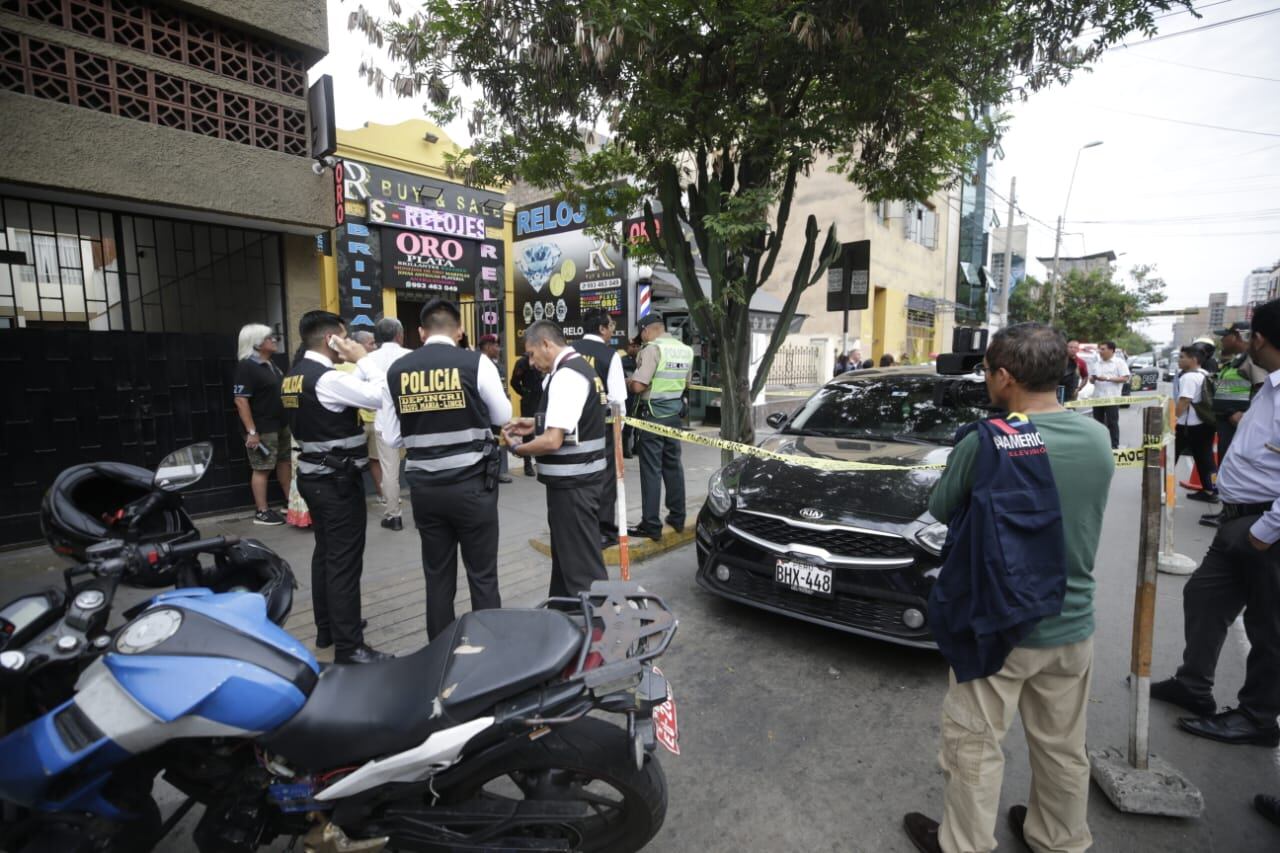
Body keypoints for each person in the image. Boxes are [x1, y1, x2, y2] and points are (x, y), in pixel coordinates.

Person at [903, 323, 1114, 853]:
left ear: (1004, 376)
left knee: (974, 744)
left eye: (986, 373)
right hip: (1072, 624)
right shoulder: (1097, 438)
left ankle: (965, 844)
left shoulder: (987, 441)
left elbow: (940, 506)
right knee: (1063, 747)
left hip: (998, 624)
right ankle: (1058, 839)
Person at [1148, 298, 1280, 747]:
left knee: (1269, 627)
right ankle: (1194, 685)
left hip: (1264, 527)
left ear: (1258, 339)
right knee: (1203, 596)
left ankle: (1258, 718)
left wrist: (1265, 532)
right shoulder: (1270, 385)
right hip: (1239, 521)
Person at [383, 299, 512, 641]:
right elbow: (503, 416)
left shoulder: (397, 370)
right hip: (473, 488)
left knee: (437, 576)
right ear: (460, 331)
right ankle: (490, 650)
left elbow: (392, 437)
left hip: (425, 490)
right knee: (482, 575)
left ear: (421, 332)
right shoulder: (476, 363)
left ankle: (439, 652)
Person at [281, 311, 390, 665]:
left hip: (314, 477)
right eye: (344, 336)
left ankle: (328, 628)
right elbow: (380, 396)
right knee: (344, 561)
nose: (350, 342)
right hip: (336, 481)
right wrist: (364, 359)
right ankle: (350, 646)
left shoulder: (294, 376)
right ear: (331, 339)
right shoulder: (326, 379)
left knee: (326, 554)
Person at [505, 320, 610, 596]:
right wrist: (533, 423)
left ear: (546, 344)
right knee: (567, 563)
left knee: (582, 571)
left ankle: (599, 620)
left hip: (574, 488)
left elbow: (553, 440)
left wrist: (517, 449)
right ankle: (564, 613)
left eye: (531, 354)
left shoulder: (567, 375)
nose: (530, 362)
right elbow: (571, 423)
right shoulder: (577, 369)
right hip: (577, 483)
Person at [627, 313, 693, 542]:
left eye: (642, 334)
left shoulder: (652, 349)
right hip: (674, 416)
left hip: (652, 416)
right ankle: (677, 517)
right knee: (673, 466)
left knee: (651, 471)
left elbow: (638, 386)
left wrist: (628, 381)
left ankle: (651, 525)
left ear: (646, 331)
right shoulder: (685, 350)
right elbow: (686, 383)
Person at [575, 308, 628, 546]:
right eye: (611, 326)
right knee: (605, 479)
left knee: (578, 476)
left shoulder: (569, 351)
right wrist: (618, 433)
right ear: (601, 328)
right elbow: (617, 400)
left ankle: (581, 527)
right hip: (601, 426)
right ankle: (603, 530)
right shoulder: (610, 355)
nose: (612, 331)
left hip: (573, 426)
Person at [233, 324, 290, 525]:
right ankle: (262, 511)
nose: (274, 340)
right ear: (256, 344)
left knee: (285, 462)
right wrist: (252, 431)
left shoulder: (272, 364)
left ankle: (290, 503)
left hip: (281, 424)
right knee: (262, 468)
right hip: (263, 427)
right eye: (269, 338)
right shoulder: (246, 366)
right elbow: (241, 400)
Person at [367, 317, 413, 531]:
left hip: (384, 421)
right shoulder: (411, 356)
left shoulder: (368, 359)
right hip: (412, 419)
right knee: (420, 465)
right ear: (399, 335)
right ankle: (423, 514)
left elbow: (362, 392)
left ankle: (394, 516)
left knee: (389, 471)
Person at [335, 330, 384, 503]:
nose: (375, 347)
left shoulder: (371, 364)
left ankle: (383, 495)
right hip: (357, 422)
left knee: (376, 460)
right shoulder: (338, 368)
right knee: (354, 461)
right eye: (371, 343)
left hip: (374, 420)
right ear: (359, 345)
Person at [1173, 345, 1219, 504]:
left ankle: (1161, 487)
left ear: (1193, 359)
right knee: (1206, 460)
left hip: (1188, 425)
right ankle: (1211, 490)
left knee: (1171, 456)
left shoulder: (1189, 377)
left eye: (1182, 357)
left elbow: (1185, 400)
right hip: (1205, 423)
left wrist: (1173, 419)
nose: (1179, 360)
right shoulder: (1204, 373)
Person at [478, 333, 514, 484]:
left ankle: (496, 472)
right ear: (487, 347)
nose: (499, 349)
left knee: (497, 443)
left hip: (497, 409)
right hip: (487, 412)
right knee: (489, 444)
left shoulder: (496, 365)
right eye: (496, 345)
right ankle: (489, 474)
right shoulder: (481, 364)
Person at [1088, 340, 1129, 449]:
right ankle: (1100, 445)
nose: (1100, 351)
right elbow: (1092, 380)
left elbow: (1125, 378)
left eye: (1103, 349)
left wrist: (1107, 378)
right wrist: (1093, 379)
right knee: (1097, 423)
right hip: (1097, 397)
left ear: (1111, 350)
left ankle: (1114, 446)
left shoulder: (1119, 362)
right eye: (1099, 349)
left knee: (1112, 422)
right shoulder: (1097, 363)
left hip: (1112, 398)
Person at [511, 350, 543, 476]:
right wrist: (525, 393)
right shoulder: (522, 363)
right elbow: (514, 382)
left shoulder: (542, 358)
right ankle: (527, 464)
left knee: (543, 429)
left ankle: (542, 460)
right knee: (528, 432)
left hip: (542, 399)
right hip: (529, 402)